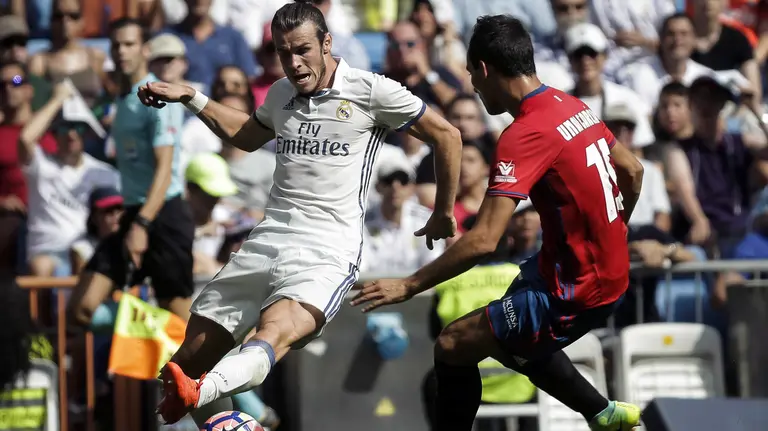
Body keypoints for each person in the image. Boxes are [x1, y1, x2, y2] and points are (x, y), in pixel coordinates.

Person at [138, 1, 463, 425]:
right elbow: (247, 136)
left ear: (327, 43)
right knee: (177, 371)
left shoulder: (370, 89)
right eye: (283, 52)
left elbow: (448, 135)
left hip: (325, 251)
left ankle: (203, 391)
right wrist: (192, 96)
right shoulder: (280, 93)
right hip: (267, 239)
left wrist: (443, 211)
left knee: (268, 339)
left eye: (303, 50)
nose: (293, 62)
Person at [351, 15, 644, 430]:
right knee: (506, 332)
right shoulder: (570, 104)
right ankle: (601, 412)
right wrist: (612, 232)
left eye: (471, 73)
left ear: (484, 69)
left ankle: (600, 412)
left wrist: (408, 285)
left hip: (577, 288)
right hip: (591, 270)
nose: (471, 84)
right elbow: (632, 171)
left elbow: (485, 241)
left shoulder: (524, 133)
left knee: (453, 343)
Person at [66, 18, 194, 329]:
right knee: (80, 308)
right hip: (135, 212)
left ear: (145, 49)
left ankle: (228, 373)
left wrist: (142, 224)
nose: (121, 51)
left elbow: (166, 169)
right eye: (116, 45)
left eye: (129, 44)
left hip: (162, 216)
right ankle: (147, 330)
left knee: (181, 324)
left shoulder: (158, 96)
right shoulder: (124, 98)